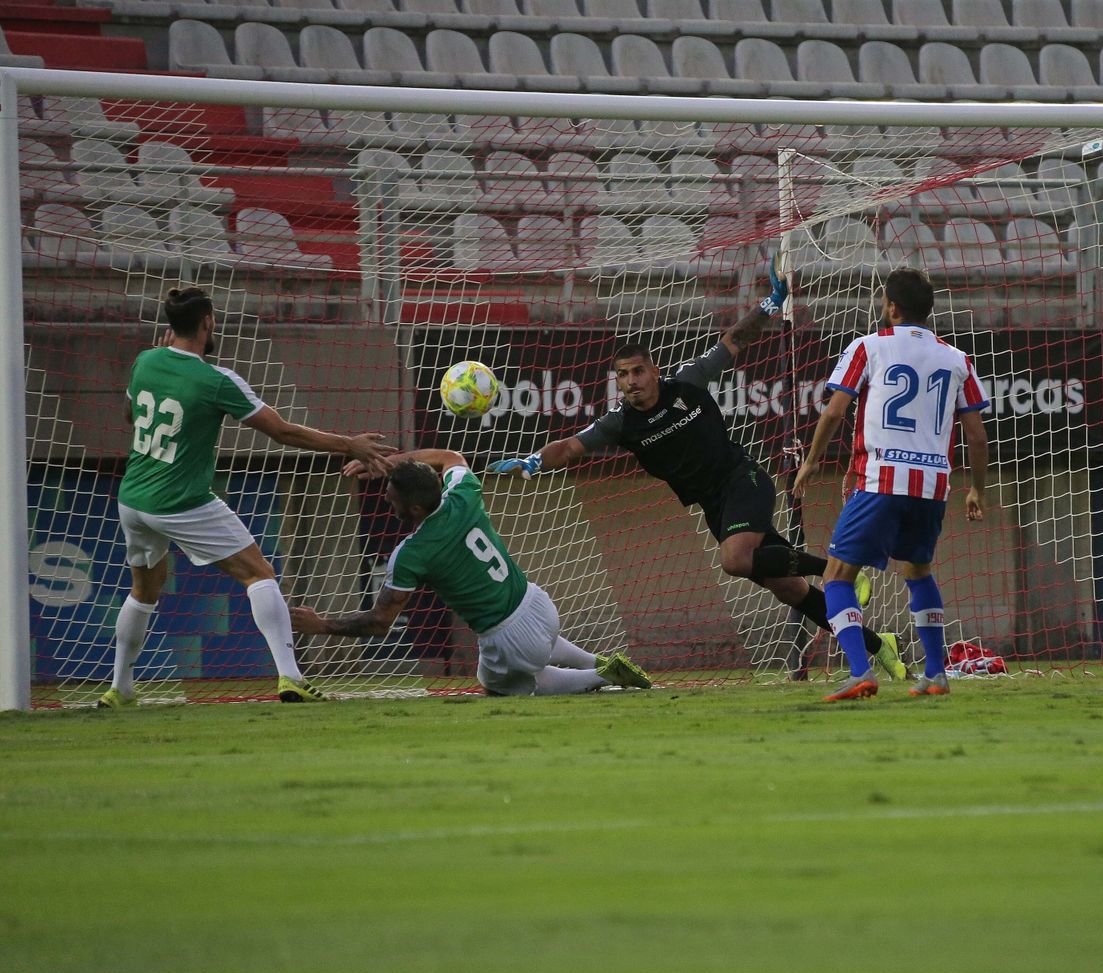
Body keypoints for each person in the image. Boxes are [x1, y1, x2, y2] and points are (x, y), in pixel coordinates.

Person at [488, 259, 906, 681]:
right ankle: (877, 645)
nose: (631, 381)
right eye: (622, 376)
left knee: (734, 559)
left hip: (743, 479)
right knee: (788, 588)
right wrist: (534, 461)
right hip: (715, 506)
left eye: (637, 372)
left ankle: (837, 571)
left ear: (653, 371)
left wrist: (771, 304)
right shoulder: (621, 423)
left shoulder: (687, 383)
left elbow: (734, 341)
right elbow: (572, 445)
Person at [99, 286, 396, 708]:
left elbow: (130, 416)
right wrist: (348, 444)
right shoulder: (216, 379)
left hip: (134, 500)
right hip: (181, 500)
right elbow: (283, 432)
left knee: (144, 591)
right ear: (206, 322)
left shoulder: (146, 361)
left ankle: (119, 689)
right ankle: (290, 677)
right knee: (259, 574)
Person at [289, 451, 651, 696]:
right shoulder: (462, 492)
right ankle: (594, 660)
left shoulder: (412, 553)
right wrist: (392, 462)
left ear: (413, 506)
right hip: (538, 605)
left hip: (508, 637)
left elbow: (380, 622)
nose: (386, 499)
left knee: (499, 686)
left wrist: (321, 625)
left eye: (391, 496)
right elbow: (451, 458)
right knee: (536, 647)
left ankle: (599, 675)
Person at [791, 266, 991, 701]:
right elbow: (976, 434)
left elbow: (833, 412)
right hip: (933, 486)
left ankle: (861, 671)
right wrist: (977, 488)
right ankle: (936, 674)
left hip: (881, 478)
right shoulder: (958, 359)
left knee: (837, 575)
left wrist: (810, 462)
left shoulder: (869, 346)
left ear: (891, 308)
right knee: (918, 571)